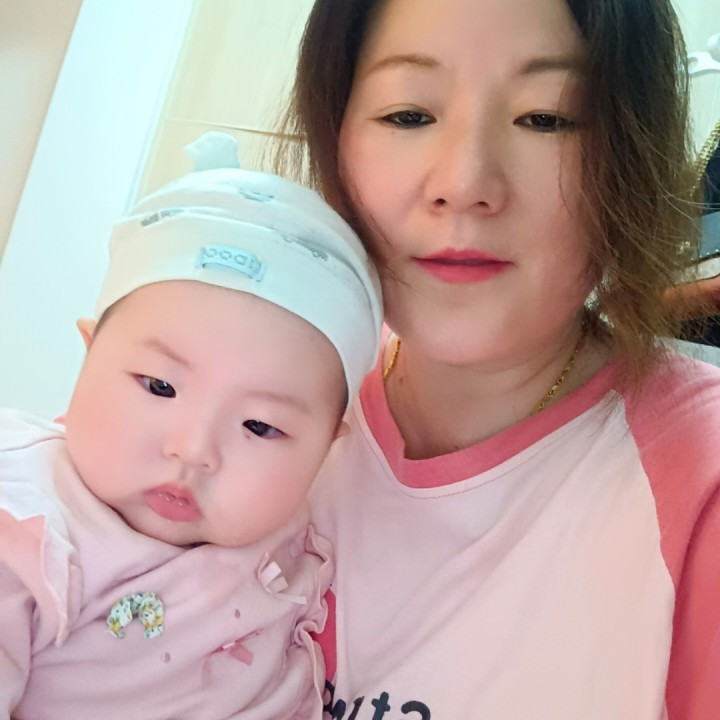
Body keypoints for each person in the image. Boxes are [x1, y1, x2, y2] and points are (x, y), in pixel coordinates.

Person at [272, 0, 720, 717]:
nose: (464, 182)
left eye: (546, 118)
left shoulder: (699, 491)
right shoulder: (256, 393)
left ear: (632, 156)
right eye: (408, 114)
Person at [0, 135, 382, 719]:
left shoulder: (295, 540)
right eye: (159, 386)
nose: (193, 449)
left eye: (260, 426)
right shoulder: (28, 525)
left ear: (328, 449)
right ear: (88, 353)